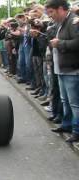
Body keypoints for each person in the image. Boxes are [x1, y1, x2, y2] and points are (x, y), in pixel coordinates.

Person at [47, 0, 79, 143]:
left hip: (71, 69)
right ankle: (66, 125)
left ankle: (76, 131)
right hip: (61, 68)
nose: (50, 16)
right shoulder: (62, 23)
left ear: (60, 9)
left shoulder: (73, 21)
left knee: (74, 103)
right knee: (65, 101)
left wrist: (59, 43)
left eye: (51, 12)